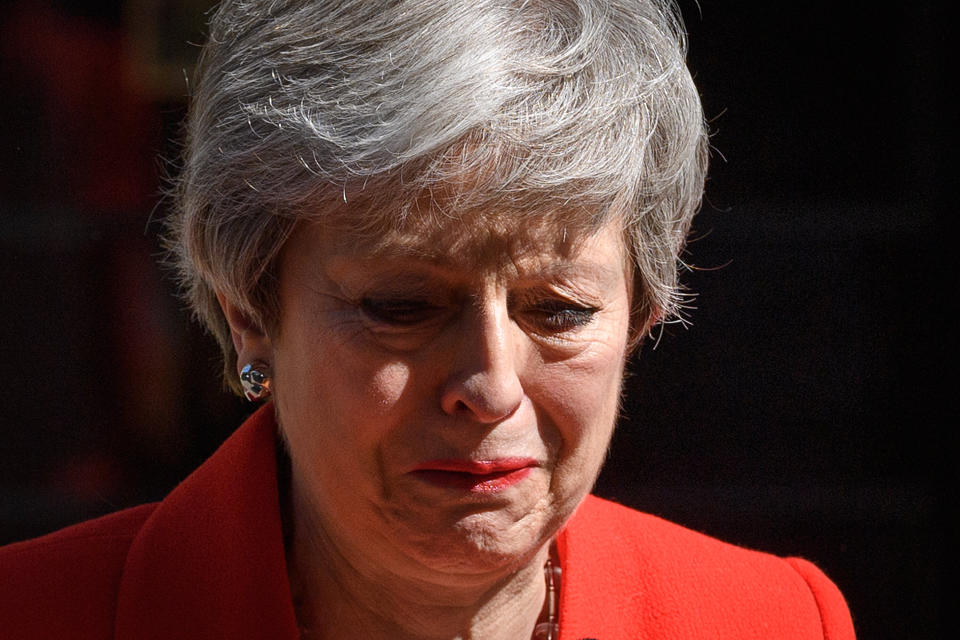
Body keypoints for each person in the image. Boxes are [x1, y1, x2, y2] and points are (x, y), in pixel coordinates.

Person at [0, 1, 856, 638]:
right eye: (402, 308)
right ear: (250, 311)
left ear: (642, 313)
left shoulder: (773, 619)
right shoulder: (39, 615)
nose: (488, 387)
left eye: (558, 309)